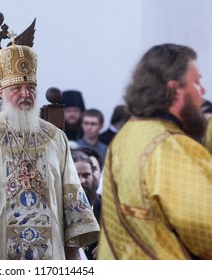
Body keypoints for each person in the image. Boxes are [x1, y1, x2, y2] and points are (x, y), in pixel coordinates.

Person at [0, 40, 99, 260]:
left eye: (31, 88)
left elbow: (72, 196)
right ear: (2, 93)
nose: (25, 94)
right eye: (16, 89)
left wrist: (72, 252)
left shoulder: (55, 138)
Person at [98, 43, 212, 260]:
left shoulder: (127, 134)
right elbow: (205, 230)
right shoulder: (169, 146)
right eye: (196, 82)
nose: (203, 91)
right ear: (174, 88)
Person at [71, 149, 101, 260]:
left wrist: (108, 246)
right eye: (75, 175)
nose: (81, 181)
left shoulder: (106, 205)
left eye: (86, 175)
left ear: (93, 175)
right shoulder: (57, 207)